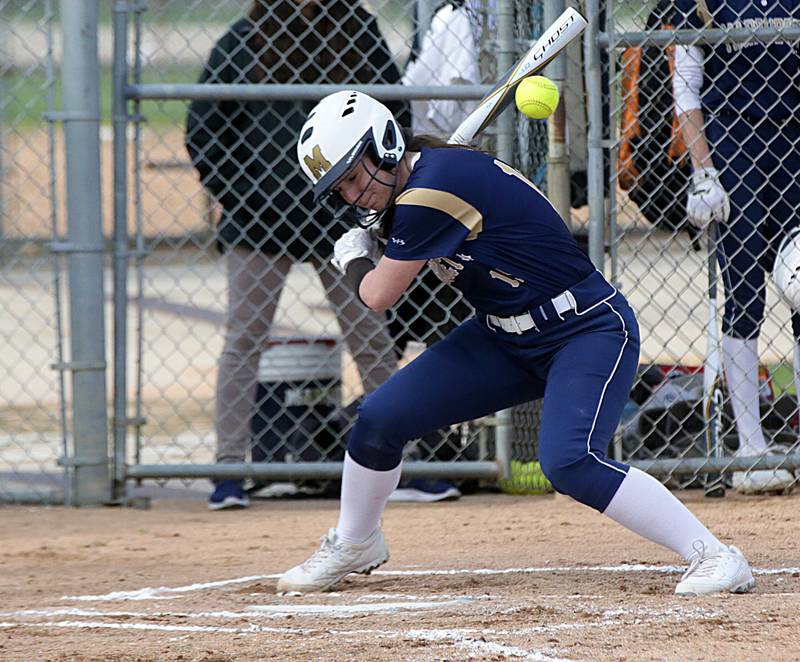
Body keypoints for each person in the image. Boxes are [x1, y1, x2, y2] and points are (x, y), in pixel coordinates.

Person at [277, 90, 755, 595]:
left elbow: (377, 295)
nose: (352, 196)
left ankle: (715, 554)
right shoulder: (422, 187)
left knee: (569, 462)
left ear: (386, 147)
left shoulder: (431, 190)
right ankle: (356, 541)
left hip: (585, 329)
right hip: (501, 337)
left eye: (354, 178)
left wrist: (354, 256)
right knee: (379, 418)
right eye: (341, 189)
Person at [185, 0, 409, 510]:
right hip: (258, 219)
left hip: (340, 212)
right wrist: (243, 194)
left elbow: (393, 113)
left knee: (371, 336)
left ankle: (406, 461)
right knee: (244, 338)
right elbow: (204, 127)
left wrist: (372, 193)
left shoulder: (357, 30)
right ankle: (228, 471)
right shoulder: (246, 36)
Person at [672, 0, 799, 494]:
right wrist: (703, 171)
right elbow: (687, 88)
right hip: (733, 143)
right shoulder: (703, 3)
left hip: (793, 143)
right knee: (745, 293)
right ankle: (751, 446)